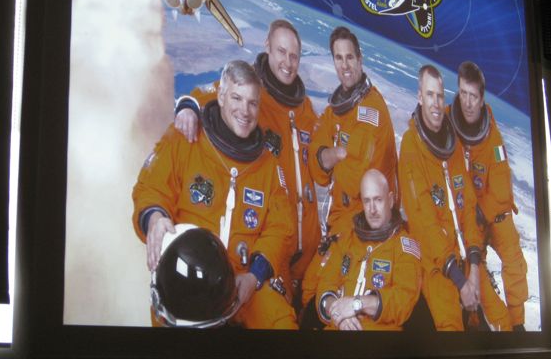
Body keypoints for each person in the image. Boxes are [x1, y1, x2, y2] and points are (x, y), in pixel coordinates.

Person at [132, 60, 298, 329]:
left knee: (282, 323)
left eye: (252, 103)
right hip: (186, 279)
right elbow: (151, 187)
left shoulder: (268, 166)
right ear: (221, 96)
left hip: (241, 282)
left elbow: (281, 228)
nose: (245, 111)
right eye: (236, 98)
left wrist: (255, 276)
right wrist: (155, 219)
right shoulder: (186, 138)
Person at [173, 19, 320, 308]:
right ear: (267, 47)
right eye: (281, 52)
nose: (288, 63)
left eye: (294, 56)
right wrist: (187, 107)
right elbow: (212, 96)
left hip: (303, 256)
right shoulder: (251, 93)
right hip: (267, 244)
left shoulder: (306, 110)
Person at [398, 64, 512, 331]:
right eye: (430, 95)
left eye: (440, 96)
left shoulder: (453, 146)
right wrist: (461, 281)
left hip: (466, 258)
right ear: (420, 97)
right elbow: (425, 225)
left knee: (502, 322)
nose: (436, 103)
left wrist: (474, 266)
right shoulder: (411, 147)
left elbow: (468, 207)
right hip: (436, 264)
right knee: (451, 329)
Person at [301, 25, 398, 314]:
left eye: (350, 57)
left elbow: (356, 181)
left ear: (360, 59)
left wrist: (329, 158)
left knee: (315, 288)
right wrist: (330, 156)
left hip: (361, 218)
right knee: (308, 286)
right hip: (341, 217)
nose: (345, 65)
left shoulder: (371, 111)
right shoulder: (335, 110)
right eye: (338, 58)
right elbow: (316, 167)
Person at [449, 61, 528, 330]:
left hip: (488, 213)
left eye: (473, 96)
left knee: (512, 253)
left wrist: (481, 213)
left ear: (482, 99)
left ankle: (517, 322)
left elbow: (502, 192)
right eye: (463, 93)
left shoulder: (493, 141)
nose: (467, 102)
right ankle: (487, 321)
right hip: (465, 218)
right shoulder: (447, 124)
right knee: (475, 268)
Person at [316, 169, 421, 331]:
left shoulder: (404, 246)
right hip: (338, 327)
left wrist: (357, 304)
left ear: (390, 200)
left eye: (378, 200)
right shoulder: (346, 239)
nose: (372, 210)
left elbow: (403, 301)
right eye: (367, 201)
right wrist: (339, 316)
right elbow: (325, 285)